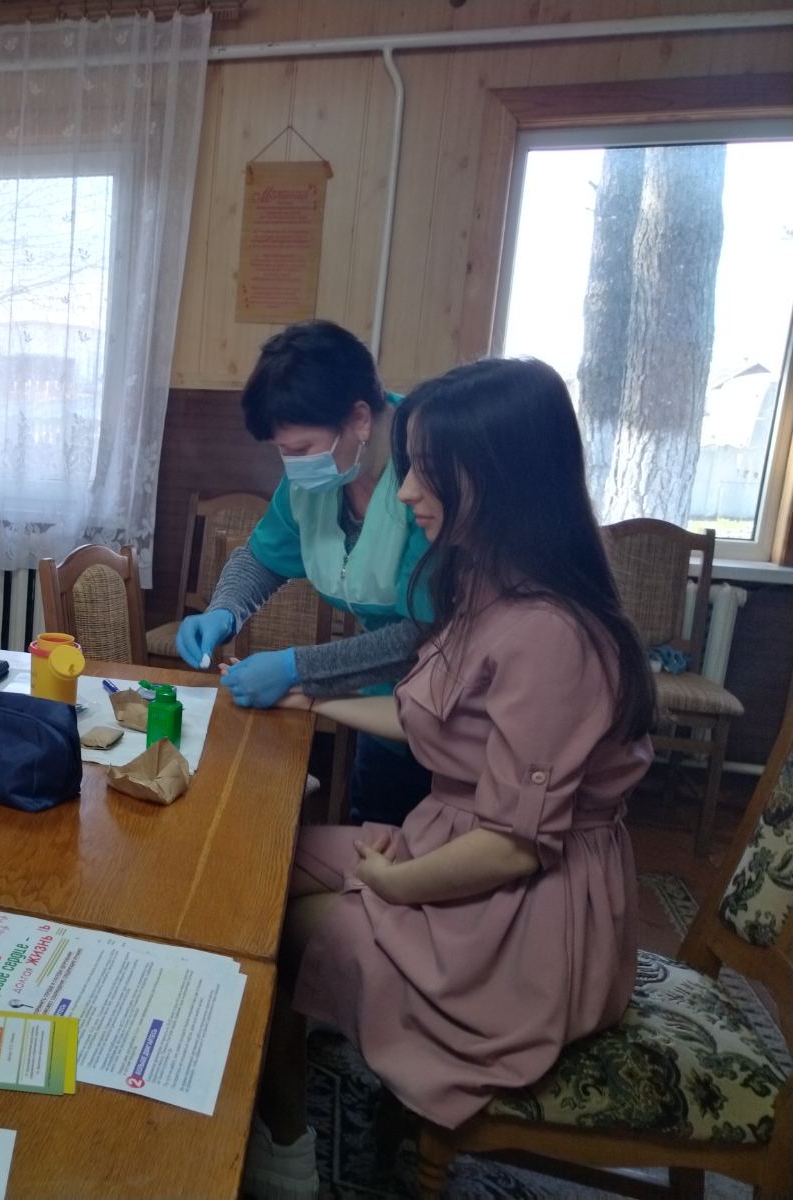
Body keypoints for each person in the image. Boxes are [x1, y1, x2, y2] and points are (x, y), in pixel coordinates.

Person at [242, 358, 655, 1197]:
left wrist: (393, 884)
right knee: (254, 868)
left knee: (272, 928)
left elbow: (512, 848)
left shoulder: (549, 634)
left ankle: (283, 1145)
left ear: (492, 476)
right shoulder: (489, 586)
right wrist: (305, 699)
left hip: (526, 916)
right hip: (462, 844)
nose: (403, 491)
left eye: (423, 470)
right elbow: (427, 715)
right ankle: (278, 1115)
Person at [176, 321, 433, 825]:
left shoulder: (429, 468)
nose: (291, 466)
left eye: (300, 449)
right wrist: (224, 609)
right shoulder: (320, 477)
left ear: (360, 418)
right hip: (382, 713)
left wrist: (298, 669)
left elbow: (426, 631)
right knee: (374, 833)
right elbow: (261, 557)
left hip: (455, 719)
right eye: (280, 451)